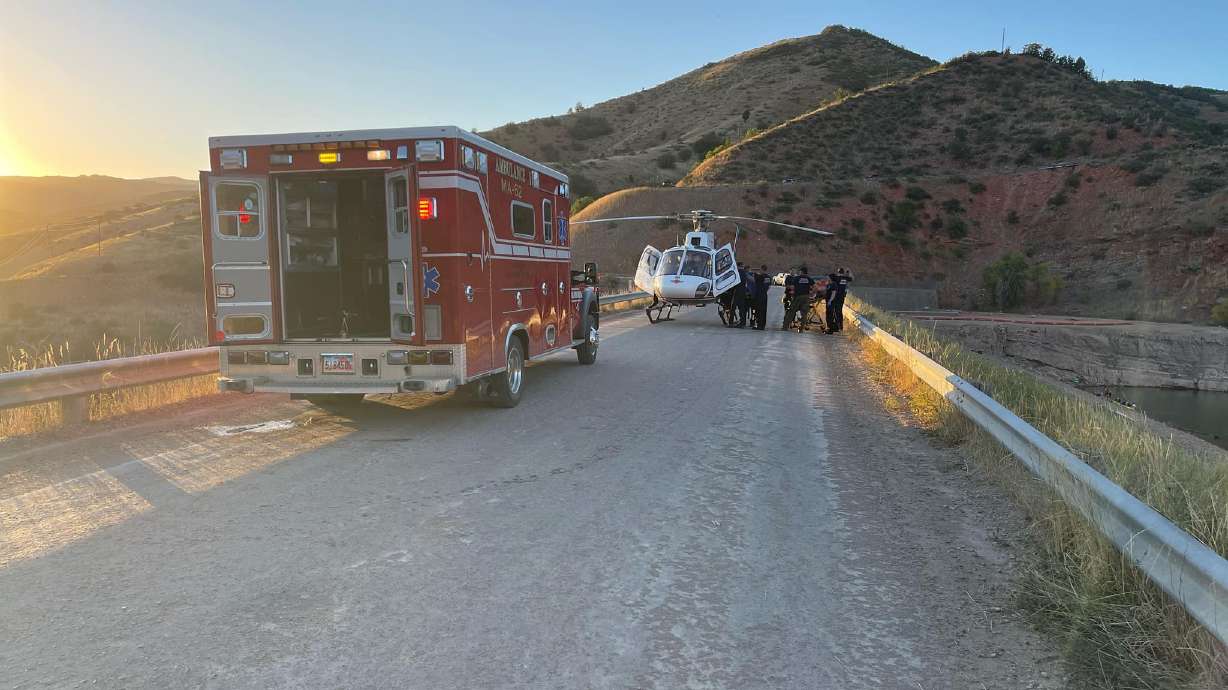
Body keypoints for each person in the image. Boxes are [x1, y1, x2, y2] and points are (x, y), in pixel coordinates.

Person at [782, 265, 815, 330]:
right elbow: (814, 287)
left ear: (801, 272)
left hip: (798, 297)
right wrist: (811, 293)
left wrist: (792, 290)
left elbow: (792, 287)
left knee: (791, 312)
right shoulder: (809, 279)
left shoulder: (797, 278)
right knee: (804, 313)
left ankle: (785, 327)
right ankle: (801, 328)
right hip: (806, 297)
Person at [825, 267, 854, 333]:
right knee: (839, 311)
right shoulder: (845, 278)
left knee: (833, 312)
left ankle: (834, 327)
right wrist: (849, 272)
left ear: (838, 272)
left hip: (835, 297)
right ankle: (840, 326)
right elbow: (852, 278)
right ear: (843, 272)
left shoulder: (836, 278)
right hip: (842, 297)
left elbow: (830, 279)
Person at [751, 265, 770, 330]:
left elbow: (754, 280)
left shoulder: (760, 276)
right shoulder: (768, 277)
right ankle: (762, 325)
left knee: (758, 310)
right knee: (764, 311)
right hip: (764, 295)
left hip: (759, 295)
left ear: (762, 269)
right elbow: (768, 286)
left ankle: (759, 325)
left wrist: (754, 274)